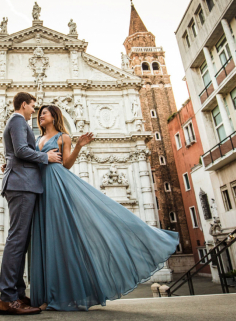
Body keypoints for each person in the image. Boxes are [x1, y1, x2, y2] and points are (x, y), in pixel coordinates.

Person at [29, 105, 179, 311]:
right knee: (44, 237)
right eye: (39, 114)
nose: (40, 115)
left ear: (54, 116)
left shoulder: (64, 137)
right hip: (41, 187)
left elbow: (67, 165)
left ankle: (58, 295)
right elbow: (32, 162)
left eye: (44, 113)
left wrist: (79, 145)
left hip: (57, 184)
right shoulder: (37, 140)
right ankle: (45, 296)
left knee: (61, 235)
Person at [0, 92, 62, 316]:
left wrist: (11, 164)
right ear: (23, 105)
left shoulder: (19, 123)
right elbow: (20, 150)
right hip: (22, 186)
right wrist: (46, 158)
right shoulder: (17, 121)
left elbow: (15, 154)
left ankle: (17, 294)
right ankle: (7, 298)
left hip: (23, 183)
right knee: (16, 241)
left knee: (20, 242)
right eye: (33, 106)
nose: (34, 110)